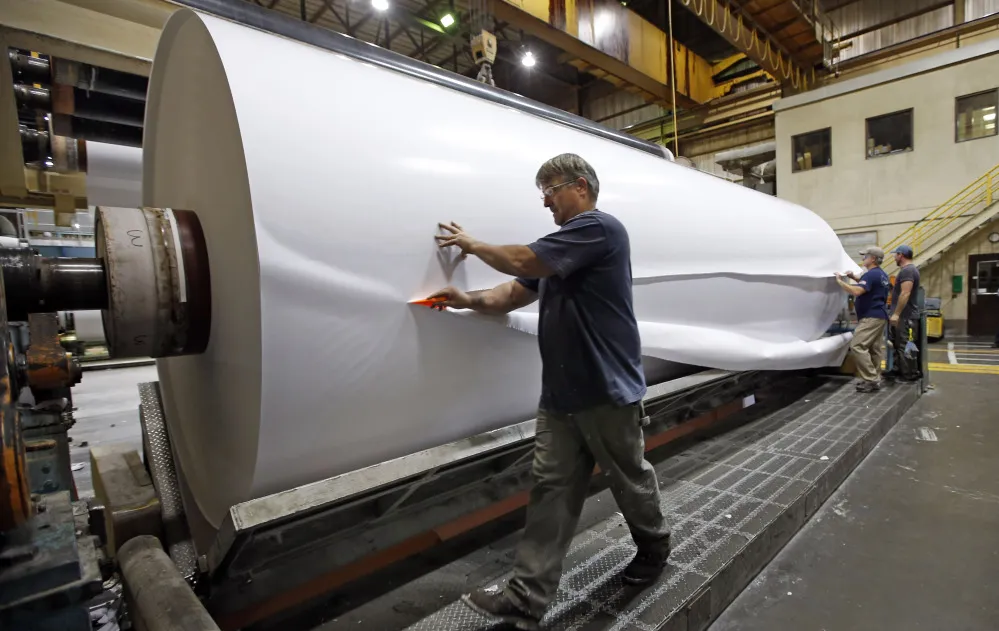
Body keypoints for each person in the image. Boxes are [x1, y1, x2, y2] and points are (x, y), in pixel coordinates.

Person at [428, 153, 670, 630]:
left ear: (580, 186)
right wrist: (464, 301)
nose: (545, 202)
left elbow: (524, 259)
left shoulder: (599, 229)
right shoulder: (562, 251)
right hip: (561, 397)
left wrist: (471, 244)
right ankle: (526, 596)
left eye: (551, 190)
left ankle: (654, 545)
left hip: (607, 391)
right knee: (551, 491)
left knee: (629, 479)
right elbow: (511, 294)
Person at [835, 247, 890, 392]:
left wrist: (840, 282)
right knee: (874, 349)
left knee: (857, 346)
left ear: (872, 259)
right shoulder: (881, 274)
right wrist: (853, 277)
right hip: (880, 315)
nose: (863, 259)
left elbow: (857, 291)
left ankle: (871, 379)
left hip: (871, 317)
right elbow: (868, 286)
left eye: (865, 256)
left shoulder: (871, 275)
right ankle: (875, 376)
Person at [885, 244, 921, 381]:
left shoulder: (908, 271)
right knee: (897, 344)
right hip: (903, 316)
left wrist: (896, 314)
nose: (894, 257)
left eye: (895, 254)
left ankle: (909, 374)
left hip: (906, 317)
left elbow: (905, 293)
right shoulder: (906, 271)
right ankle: (898, 370)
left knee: (906, 345)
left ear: (901, 255)